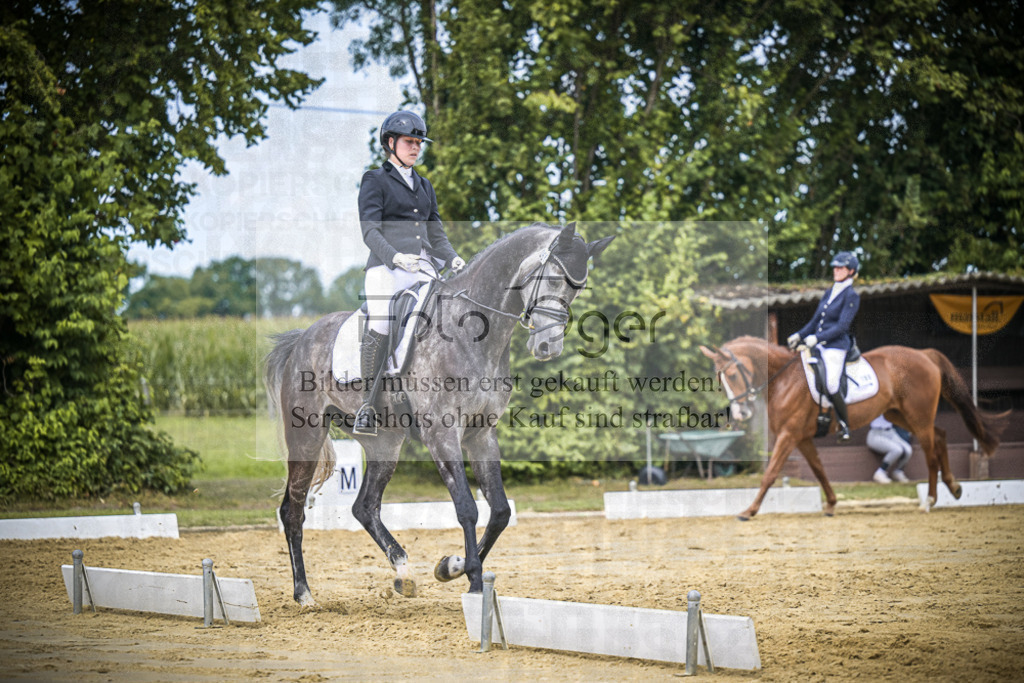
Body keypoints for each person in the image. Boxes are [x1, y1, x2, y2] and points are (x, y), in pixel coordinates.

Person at [354, 110, 466, 435]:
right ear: (391, 143)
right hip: (386, 270)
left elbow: (436, 233)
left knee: (447, 318)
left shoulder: (424, 185)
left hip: (423, 269)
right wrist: (395, 257)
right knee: (381, 321)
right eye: (409, 142)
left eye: (419, 143)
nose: (415, 148)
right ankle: (368, 405)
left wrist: (454, 258)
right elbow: (370, 231)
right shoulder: (375, 180)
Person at [787, 251, 861, 441]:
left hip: (836, 346)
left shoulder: (851, 296)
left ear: (851, 271)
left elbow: (842, 326)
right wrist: (799, 335)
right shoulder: (830, 292)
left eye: (841, 268)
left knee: (831, 383)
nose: (836, 270)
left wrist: (817, 338)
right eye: (835, 267)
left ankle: (844, 424)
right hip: (819, 344)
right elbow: (814, 321)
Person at [866, 415, 913, 483]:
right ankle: (880, 472)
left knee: (908, 450)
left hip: (890, 432)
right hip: (875, 433)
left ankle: (898, 471)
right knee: (897, 450)